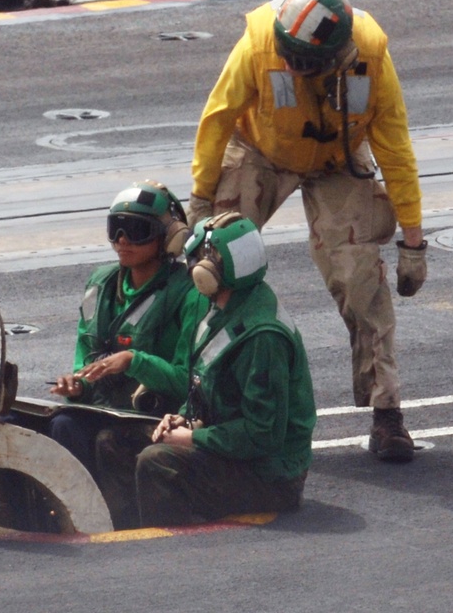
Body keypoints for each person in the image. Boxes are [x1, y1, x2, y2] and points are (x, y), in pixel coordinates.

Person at [184, 0, 427, 462]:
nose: (292, 67)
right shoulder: (259, 43)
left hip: (338, 159)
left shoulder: (371, 57)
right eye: (288, 57)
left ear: (339, 56)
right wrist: (200, 203)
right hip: (260, 151)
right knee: (208, 268)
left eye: (303, 62)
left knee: (361, 280)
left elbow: (396, 149)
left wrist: (413, 243)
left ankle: (387, 413)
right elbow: (218, 117)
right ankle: (192, 397)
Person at [98, 212, 316, 527]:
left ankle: (165, 550)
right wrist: (184, 417)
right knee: (113, 442)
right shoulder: (216, 306)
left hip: (271, 476)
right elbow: (203, 381)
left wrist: (194, 438)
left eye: (200, 257)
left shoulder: (263, 336)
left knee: (156, 463)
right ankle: (129, 535)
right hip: (228, 447)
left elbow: (263, 435)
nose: (193, 266)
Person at [46, 179, 204, 526]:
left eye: (136, 230)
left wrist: (135, 362)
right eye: (115, 229)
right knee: (59, 426)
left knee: (107, 440)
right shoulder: (100, 286)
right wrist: (78, 386)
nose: (122, 240)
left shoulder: (186, 292)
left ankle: (122, 523)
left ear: (169, 237)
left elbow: (187, 380)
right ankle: (77, 517)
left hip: (160, 415)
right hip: (105, 408)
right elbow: (85, 359)